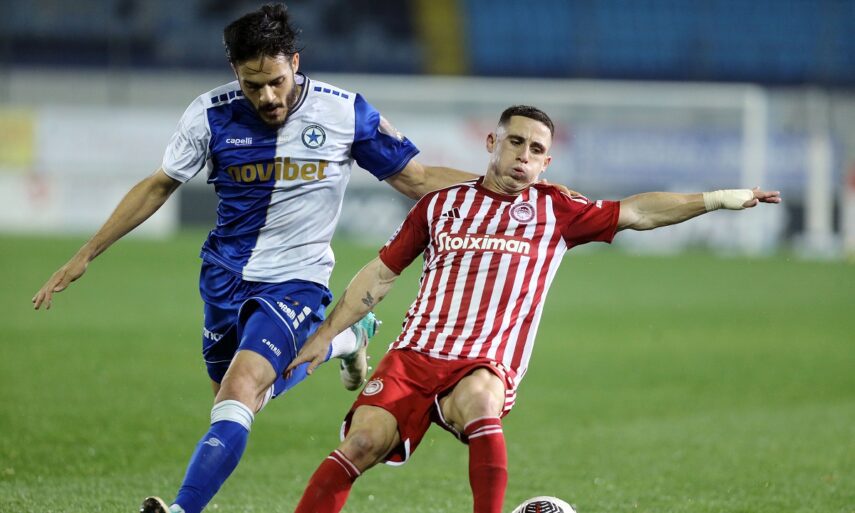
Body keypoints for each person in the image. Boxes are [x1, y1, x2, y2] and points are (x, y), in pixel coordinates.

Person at [30, 5, 481, 513]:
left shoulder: (342, 112)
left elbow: (417, 179)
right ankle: (345, 340)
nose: (267, 96)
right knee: (236, 401)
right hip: (223, 278)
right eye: (253, 85)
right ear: (234, 73)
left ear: (295, 63)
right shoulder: (210, 114)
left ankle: (181, 509)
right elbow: (159, 185)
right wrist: (85, 255)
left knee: (242, 385)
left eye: (276, 82)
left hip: (296, 280)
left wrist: (503, 187)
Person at [286, 105, 782, 513]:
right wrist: (326, 335)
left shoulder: (557, 210)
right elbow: (380, 275)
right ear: (492, 143)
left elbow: (639, 211)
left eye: (537, 150)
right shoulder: (439, 206)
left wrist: (719, 198)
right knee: (362, 444)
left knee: (481, 401)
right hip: (415, 354)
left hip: (484, 361)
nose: (524, 155)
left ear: (547, 162)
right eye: (516, 142)